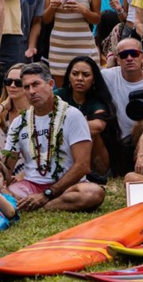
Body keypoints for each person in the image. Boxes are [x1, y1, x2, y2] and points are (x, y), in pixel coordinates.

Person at [0, 63, 105, 211]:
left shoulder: (72, 115)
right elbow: (8, 166)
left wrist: (47, 195)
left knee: (93, 193)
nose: (31, 91)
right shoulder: (19, 123)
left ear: (50, 84)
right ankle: (29, 203)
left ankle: (41, 207)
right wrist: (3, 182)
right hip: (31, 185)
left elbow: (83, 166)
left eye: (36, 84)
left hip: (67, 186)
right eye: (26, 87)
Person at [100, 38, 143, 175]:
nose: (129, 58)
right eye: (123, 55)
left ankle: (139, 166)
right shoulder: (107, 76)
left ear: (142, 57)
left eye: (134, 53)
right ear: (118, 59)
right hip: (114, 139)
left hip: (141, 140)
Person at [57, 56, 119, 179]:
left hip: (98, 162)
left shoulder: (98, 101)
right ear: (69, 77)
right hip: (62, 150)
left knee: (90, 133)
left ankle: (86, 172)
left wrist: (63, 126)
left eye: (85, 75)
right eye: (75, 74)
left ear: (94, 79)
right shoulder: (59, 96)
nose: (79, 79)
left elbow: (97, 126)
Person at [0, 63, 29, 153]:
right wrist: (2, 105)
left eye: (18, 82)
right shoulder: (3, 110)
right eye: (8, 81)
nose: (12, 85)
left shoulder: (35, 112)